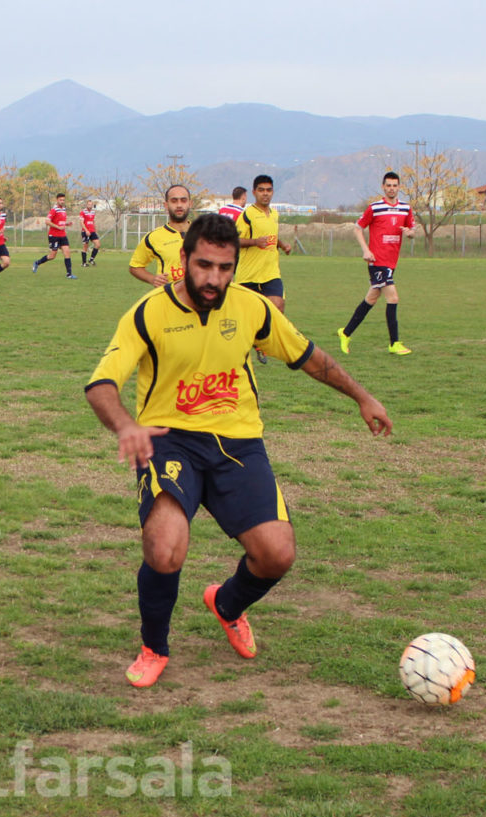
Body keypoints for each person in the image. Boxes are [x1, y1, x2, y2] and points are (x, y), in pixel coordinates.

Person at [85, 213, 392, 688]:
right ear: (184, 259)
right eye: (204, 265)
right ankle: (154, 646)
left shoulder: (251, 307)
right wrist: (125, 425)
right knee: (165, 547)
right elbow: (101, 383)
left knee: (277, 555)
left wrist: (363, 396)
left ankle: (227, 604)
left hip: (238, 443)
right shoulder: (148, 313)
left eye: (225, 268)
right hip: (170, 441)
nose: (214, 278)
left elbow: (307, 355)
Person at [336, 171, 416, 356]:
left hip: (391, 261)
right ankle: (394, 343)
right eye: (388, 185)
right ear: (383, 187)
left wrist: (410, 234)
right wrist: (366, 250)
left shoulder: (405, 208)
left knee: (371, 298)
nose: (391, 188)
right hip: (377, 260)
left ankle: (345, 333)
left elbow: (412, 230)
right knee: (393, 298)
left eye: (395, 185)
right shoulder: (375, 208)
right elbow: (358, 228)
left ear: (399, 187)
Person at [236, 175, 291, 313]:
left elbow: (271, 236)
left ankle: (273, 335)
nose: (265, 193)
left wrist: (282, 245)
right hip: (249, 276)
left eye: (268, 190)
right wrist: (255, 242)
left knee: (277, 307)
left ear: (272, 192)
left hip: (271, 274)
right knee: (249, 317)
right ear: (254, 192)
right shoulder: (247, 214)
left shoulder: (274, 214)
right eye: (261, 190)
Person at [128, 185, 192, 287]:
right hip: (168, 298)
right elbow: (135, 267)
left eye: (183, 200)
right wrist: (152, 278)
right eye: (174, 201)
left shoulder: (203, 233)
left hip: (199, 299)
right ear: (166, 205)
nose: (179, 205)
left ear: (190, 203)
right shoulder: (154, 237)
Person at [31, 192, 76, 279]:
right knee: (52, 256)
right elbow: (47, 221)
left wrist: (66, 224)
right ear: (57, 200)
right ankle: (37, 263)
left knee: (67, 252)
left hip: (62, 235)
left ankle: (69, 274)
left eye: (63, 200)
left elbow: (59, 222)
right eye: (60, 200)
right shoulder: (54, 210)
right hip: (54, 235)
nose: (62, 201)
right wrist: (58, 227)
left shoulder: (63, 209)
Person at [79, 199, 100, 266]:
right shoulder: (83, 212)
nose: (90, 205)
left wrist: (95, 230)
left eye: (91, 204)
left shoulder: (93, 212)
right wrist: (86, 230)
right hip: (85, 232)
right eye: (88, 204)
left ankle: (91, 259)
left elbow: (93, 222)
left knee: (97, 244)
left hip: (92, 231)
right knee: (85, 247)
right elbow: (81, 222)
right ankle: (84, 263)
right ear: (86, 205)